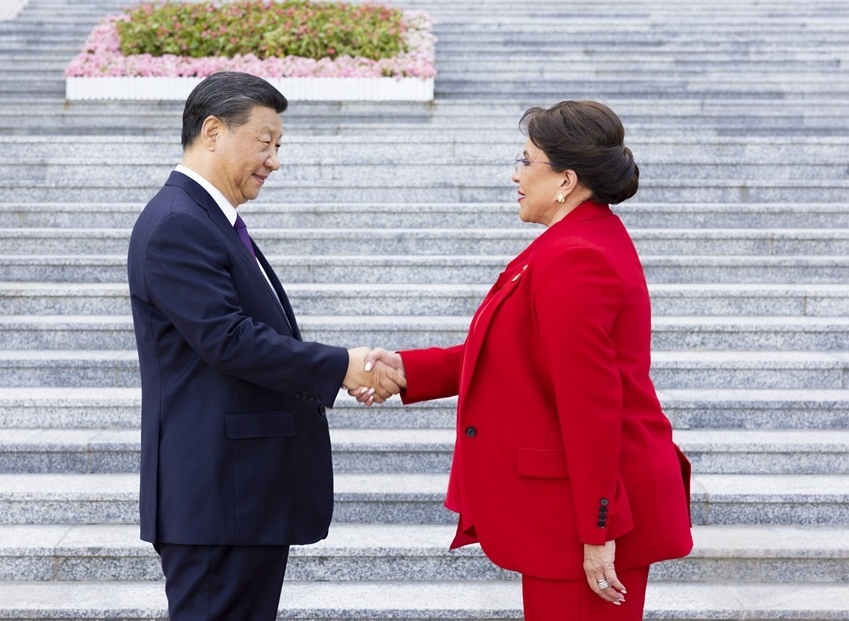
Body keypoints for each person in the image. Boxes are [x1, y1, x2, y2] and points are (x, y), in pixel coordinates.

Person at [359, 101, 693, 620]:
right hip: (583, 506)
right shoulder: (576, 240)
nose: (515, 175)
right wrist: (408, 370)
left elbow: (590, 404)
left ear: (566, 180)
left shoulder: (575, 256)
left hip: (593, 512)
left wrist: (598, 529)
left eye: (525, 160)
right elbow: (516, 351)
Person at [127, 71, 403, 621]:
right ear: (213, 132)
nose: (274, 161)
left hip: (238, 497)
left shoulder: (208, 220)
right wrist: (342, 366)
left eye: (279, 146)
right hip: (217, 498)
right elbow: (228, 339)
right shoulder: (178, 223)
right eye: (265, 142)